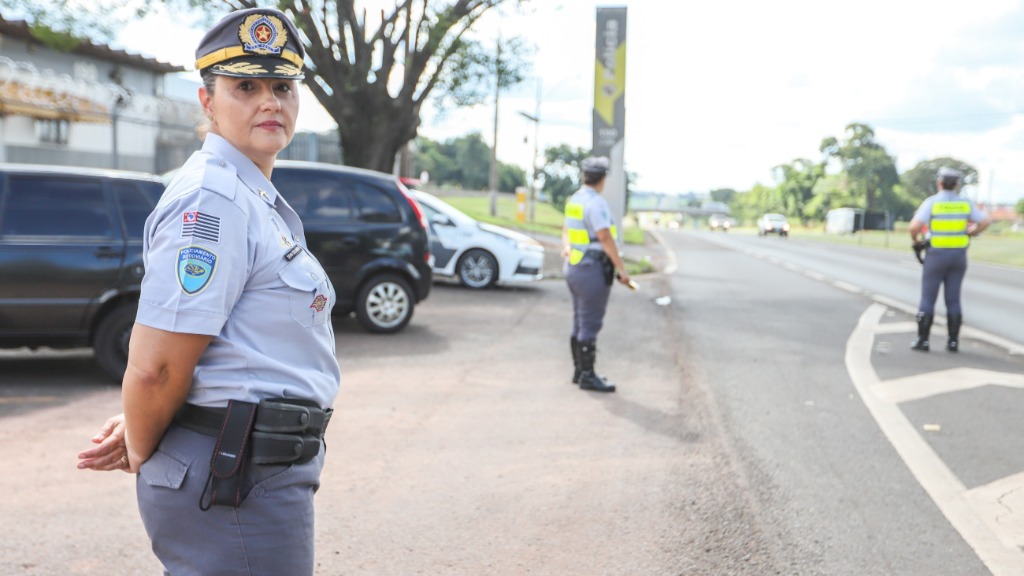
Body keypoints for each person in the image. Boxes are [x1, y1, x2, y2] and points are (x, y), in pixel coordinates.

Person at [77, 8, 340, 575]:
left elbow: (224, 351)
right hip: (234, 478)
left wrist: (160, 425)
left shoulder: (250, 195)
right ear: (207, 101)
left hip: (250, 467)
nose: (269, 101)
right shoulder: (214, 200)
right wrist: (147, 449)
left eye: (282, 86)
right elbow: (158, 370)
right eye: (245, 86)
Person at [562, 156, 632, 393]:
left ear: (584, 176)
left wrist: (566, 246)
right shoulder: (596, 203)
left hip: (574, 267)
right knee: (590, 323)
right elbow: (604, 237)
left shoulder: (575, 200)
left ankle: (579, 371)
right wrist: (621, 270)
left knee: (579, 321)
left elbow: (565, 230)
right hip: (592, 270)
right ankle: (588, 376)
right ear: (602, 179)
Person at [908, 166, 990, 353]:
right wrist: (972, 232)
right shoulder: (965, 204)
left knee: (928, 298)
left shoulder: (932, 203)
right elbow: (985, 221)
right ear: (957, 185)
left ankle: (923, 340)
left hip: (936, 255)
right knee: (953, 299)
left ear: (939, 183)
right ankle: (953, 342)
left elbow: (914, 227)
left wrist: (917, 241)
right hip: (958, 256)